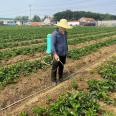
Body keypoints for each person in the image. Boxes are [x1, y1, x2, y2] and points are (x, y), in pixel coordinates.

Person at [51, 19, 72, 84]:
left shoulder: (65, 33)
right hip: (57, 53)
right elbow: (52, 45)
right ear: (59, 26)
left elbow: (65, 42)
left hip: (63, 53)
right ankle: (53, 80)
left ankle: (60, 77)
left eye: (65, 28)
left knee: (61, 66)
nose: (64, 29)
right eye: (62, 27)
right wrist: (55, 54)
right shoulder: (55, 34)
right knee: (54, 67)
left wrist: (67, 50)